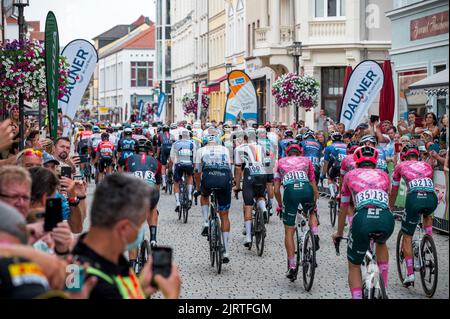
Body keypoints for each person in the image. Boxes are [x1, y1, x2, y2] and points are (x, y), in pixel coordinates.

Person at [71, 174, 181, 299]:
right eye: (140, 225)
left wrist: (141, 290)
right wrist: (172, 295)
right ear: (124, 228)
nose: (140, 231)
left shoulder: (73, 262)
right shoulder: (100, 285)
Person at [335, 146, 395, 299]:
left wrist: (339, 233)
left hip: (362, 219)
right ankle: (384, 287)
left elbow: (344, 208)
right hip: (386, 218)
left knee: (354, 265)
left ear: (356, 162)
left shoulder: (349, 175)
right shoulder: (383, 174)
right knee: (381, 243)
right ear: (375, 162)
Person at [389, 144, 438, 286]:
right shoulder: (426, 165)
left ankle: (410, 274)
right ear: (417, 155)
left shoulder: (400, 165)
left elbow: (395, 190)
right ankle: (427, 242)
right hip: (431, 197)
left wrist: (390, 207)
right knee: (427, 215)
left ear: (404, 156)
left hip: (414, 198)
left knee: (407, 236)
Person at [274, 141, 319, 281]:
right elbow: (314, 185)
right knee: (311, 212)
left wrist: (281, 205)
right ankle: (315, 236)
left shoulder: (280, 162)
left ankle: (292, 267)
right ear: (300, 153)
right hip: (306, 189)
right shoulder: (306, 161)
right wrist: (314, 205)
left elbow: (275, 190)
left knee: (289, 230)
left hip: (291, 192)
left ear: (287, 153)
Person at [194, 133, 233, 263]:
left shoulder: (200, 150)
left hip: (209, 177)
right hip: (224, 177)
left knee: (204, 196)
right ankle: (226, 251)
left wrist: (199, 188)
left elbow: (197, 172)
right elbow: (230, 167)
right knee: (225, 215)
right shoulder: (225, 150)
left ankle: (205, 221)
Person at [124, 139, 162, 250]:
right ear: (150, 151)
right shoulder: (156, 162)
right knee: (153, 208)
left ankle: (132, 263)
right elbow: (158, 185)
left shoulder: (129, 160)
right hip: (152, 191)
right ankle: (153, 239)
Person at [233, 129, 268, 247]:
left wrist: (237, 186)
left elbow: (238, 169)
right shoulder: (261, 147)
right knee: (261, 195)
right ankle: (263, 209)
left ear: (245, 137)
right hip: (262, 173)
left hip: (249, 174)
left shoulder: (239, 149)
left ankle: (248, 237)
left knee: (248, 205)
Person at [169, 128, 196, 213]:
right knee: (190, 176)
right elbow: (195, 157)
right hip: (189, 164)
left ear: (180, 136)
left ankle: (177, 203)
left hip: (179, 164)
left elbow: (172, 158)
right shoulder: (192, 143)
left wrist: (170, 168)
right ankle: (189, 196)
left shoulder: (175, 143)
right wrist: (193, 167)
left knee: (176, 182)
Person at [322, 132, 347, 198]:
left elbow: (326, 162)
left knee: (330, 178)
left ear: (332, 140)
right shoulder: (347, 146)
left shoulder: (329, 147)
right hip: (346, 167)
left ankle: (332, 194)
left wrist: (324, 174)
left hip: (336, 166)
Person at [157, 125, 175, 189]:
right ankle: (170, 173)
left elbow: (159, 147)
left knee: (163, 165)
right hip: (171, 149)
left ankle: (164, 182)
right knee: (171, 163)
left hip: (164, 149)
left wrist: (157, 156)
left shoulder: (160, 135)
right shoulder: (172, 135)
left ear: (163, 130)